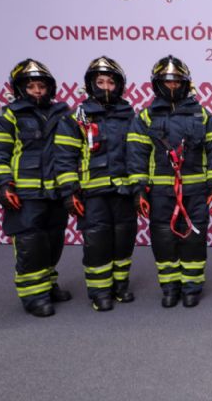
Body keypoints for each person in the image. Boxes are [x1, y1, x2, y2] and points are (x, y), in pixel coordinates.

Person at [0, 59, 72, 317]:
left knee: (52, 241)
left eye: (41, 85)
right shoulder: (5, 115)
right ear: (20, 88)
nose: (37, 91)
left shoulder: (63, 114)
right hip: (25, 194)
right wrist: (4, 185)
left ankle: (48, 284)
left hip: (55, 191)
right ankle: (33, 296)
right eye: (31, 86)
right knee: (30, 244)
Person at [126, 55, 212, 308]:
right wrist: (138, 190)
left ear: (186, 83)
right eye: (167, 81)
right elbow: (136, 155)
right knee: (163, 240)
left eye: (177, 81)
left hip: (196, 192)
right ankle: (169, 287)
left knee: (194, 240)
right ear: (157, 84)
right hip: (160, 193)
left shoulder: (203, 115)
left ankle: (192, 287)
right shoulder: (144, 117)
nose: (172, 86)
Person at [53, 56, 137, 312]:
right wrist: (69, 192)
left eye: (111, 82)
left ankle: (119, 286)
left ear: (119, 85)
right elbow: (64, 157)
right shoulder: (77, 117)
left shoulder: (130, 114)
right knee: (97, 243)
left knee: (124, 240)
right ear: (90, 85)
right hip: (92, 194)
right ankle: (99, 291)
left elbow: (137, 153)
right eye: (100, 82)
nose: (106, 87)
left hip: (123, 190)